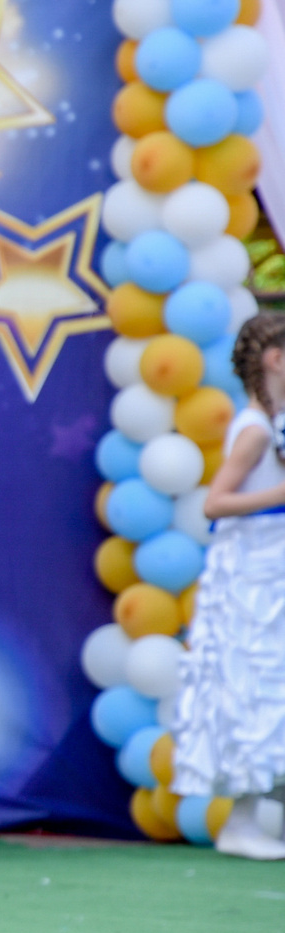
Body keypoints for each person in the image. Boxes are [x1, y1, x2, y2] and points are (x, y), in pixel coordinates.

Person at [173, 311, 285, 861]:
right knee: (254, 686)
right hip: (255, 578)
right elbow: (216, 502)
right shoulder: (255, 429)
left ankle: (266, 815)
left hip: (273, 570)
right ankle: (242, 820)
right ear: (275, 360)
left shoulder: (272, 425)